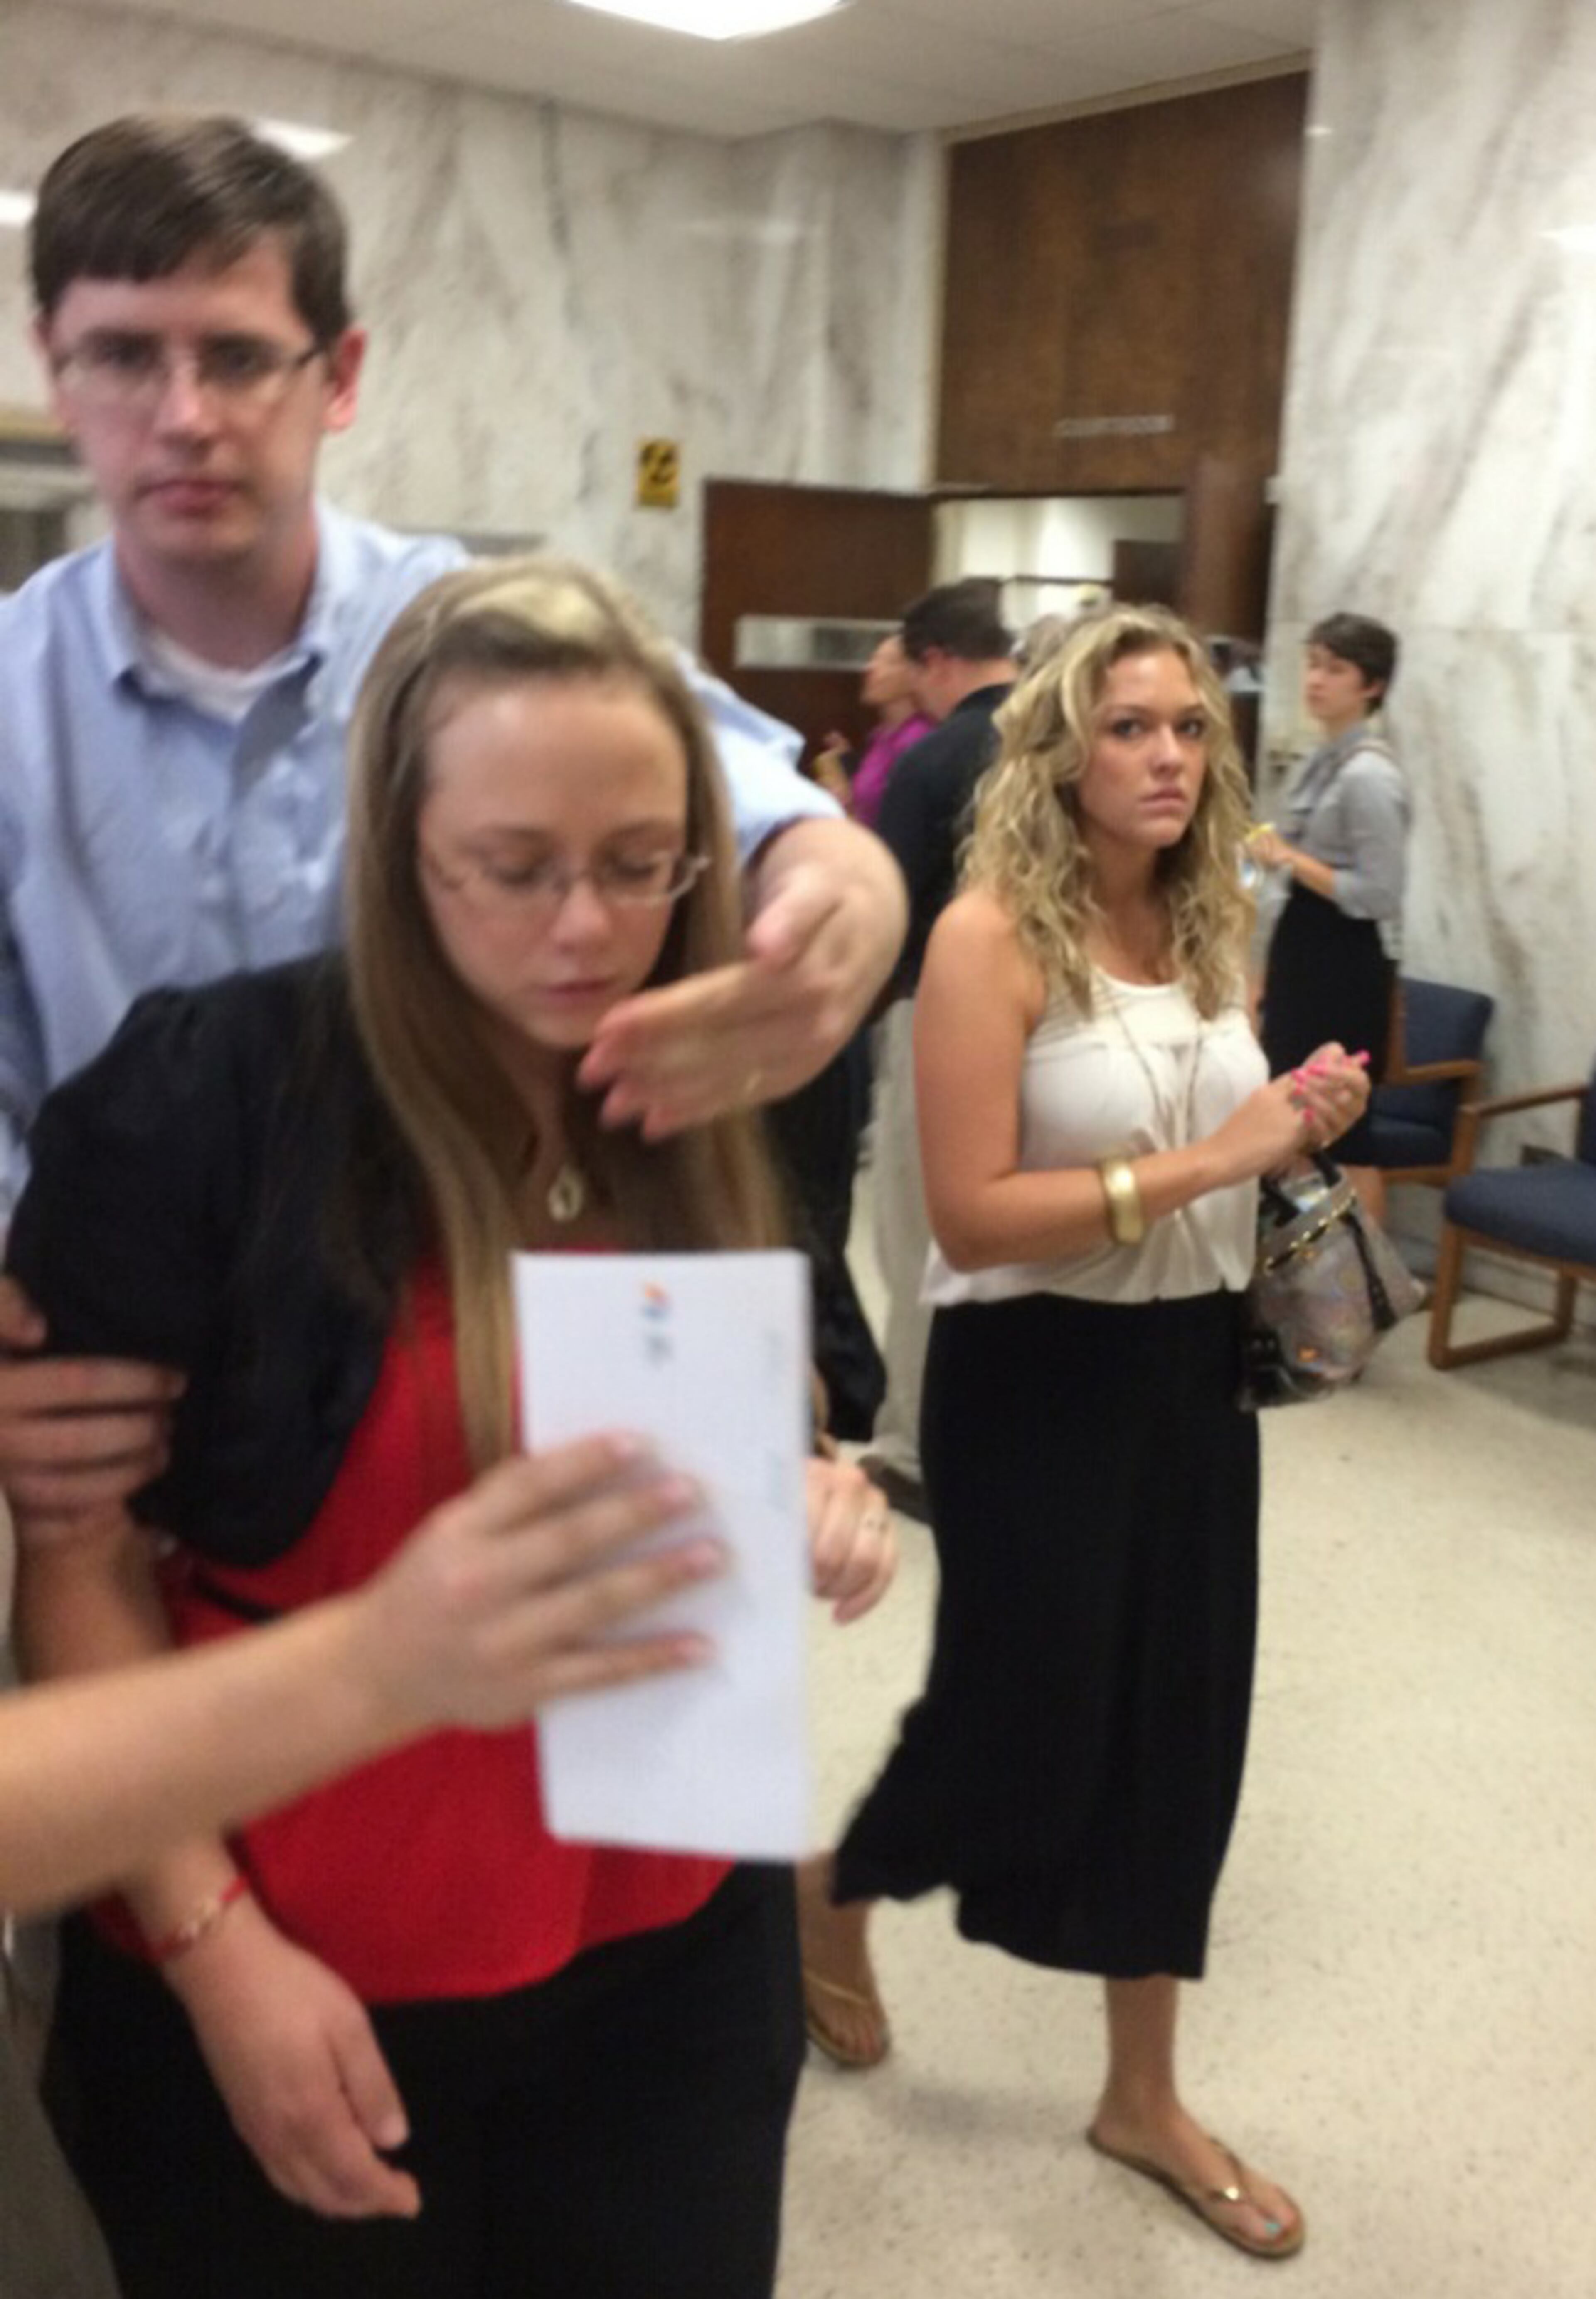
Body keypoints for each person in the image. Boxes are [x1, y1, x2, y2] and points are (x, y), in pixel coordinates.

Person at [7, 558, 897, 2299]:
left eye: (644, 864)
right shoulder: (210, 1097)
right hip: (310, 1932)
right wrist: (216, 1950)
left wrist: (797, 1474)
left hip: (669, 1928)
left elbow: (727, 1393)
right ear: (404, 853)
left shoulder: (692, 1084)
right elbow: (77, 1562)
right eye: (515, 869)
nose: (586, 926)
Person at [0, 110, 907, 1524]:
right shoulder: (11, 704)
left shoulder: (470, 636)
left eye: (237, 356)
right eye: (123, 356)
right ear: (55, 369)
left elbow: (779, 822)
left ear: (339, 373)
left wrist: (846, 908)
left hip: (472, 1367)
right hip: (144, 1417)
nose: (184, 415)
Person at [796, 606, 1371, 2261]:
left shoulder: (1208, 922)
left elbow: (1223, 1113)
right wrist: (1223, 1153)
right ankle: (825, 1890)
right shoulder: (988, 936)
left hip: (1192, 1373)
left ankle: (1142, 2089)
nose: (1171, 757)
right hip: (1035, 1376)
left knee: (1178, 1731)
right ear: (1058, 746)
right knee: (1019, 1721)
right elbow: (972, 1216)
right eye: (1131, 726)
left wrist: (1290, 1115)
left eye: (1191, 727)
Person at [860, 578, 1017, 1522]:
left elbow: (879, 916)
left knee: (920, 1236)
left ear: (935, 663)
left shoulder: (936, 761)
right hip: (1063, 1022)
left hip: (938, 1017)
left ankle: (914, 1449)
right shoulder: (1074, 743)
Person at [1251, 612, 1408, 1223]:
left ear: (1370, 685)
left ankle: (1369, 1283)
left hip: (1343, 960)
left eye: (1335, 669)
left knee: (1346, 1130)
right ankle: (1308, 1275)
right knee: (1295, 1115)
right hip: (1304, 948)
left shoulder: (1371, 774)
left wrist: (1289, 855)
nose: (1316, 680)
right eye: (1313, 664)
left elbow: (1380, 893)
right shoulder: (1323, 760)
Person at [810, 631, 934, 830]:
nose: (870, 669)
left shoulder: (920, 740)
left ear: (915, 675)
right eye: (873, 659)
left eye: (888, 662)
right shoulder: (880, 736)